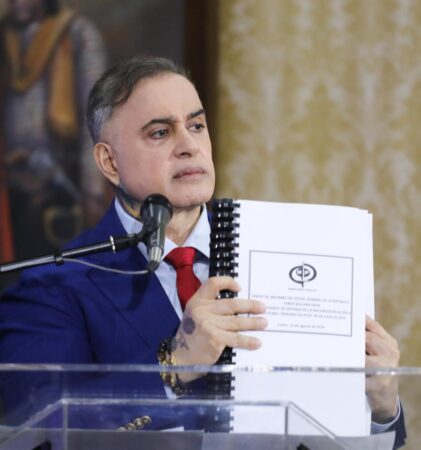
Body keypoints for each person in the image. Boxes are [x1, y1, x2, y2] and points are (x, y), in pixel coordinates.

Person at [0, 56, 406, 446]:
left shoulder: (281, 252)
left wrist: (381, 408)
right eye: (160, 133)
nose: (188, 145)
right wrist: (173, 366)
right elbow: (38, 430)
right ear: (109, 162)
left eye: (196, 125)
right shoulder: (53, 284)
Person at [0, 0, 107, 270]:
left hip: (62, 191)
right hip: (10, 195)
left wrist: (92, 193)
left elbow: (95, 118)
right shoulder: (4, 37)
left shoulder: (78, 34)